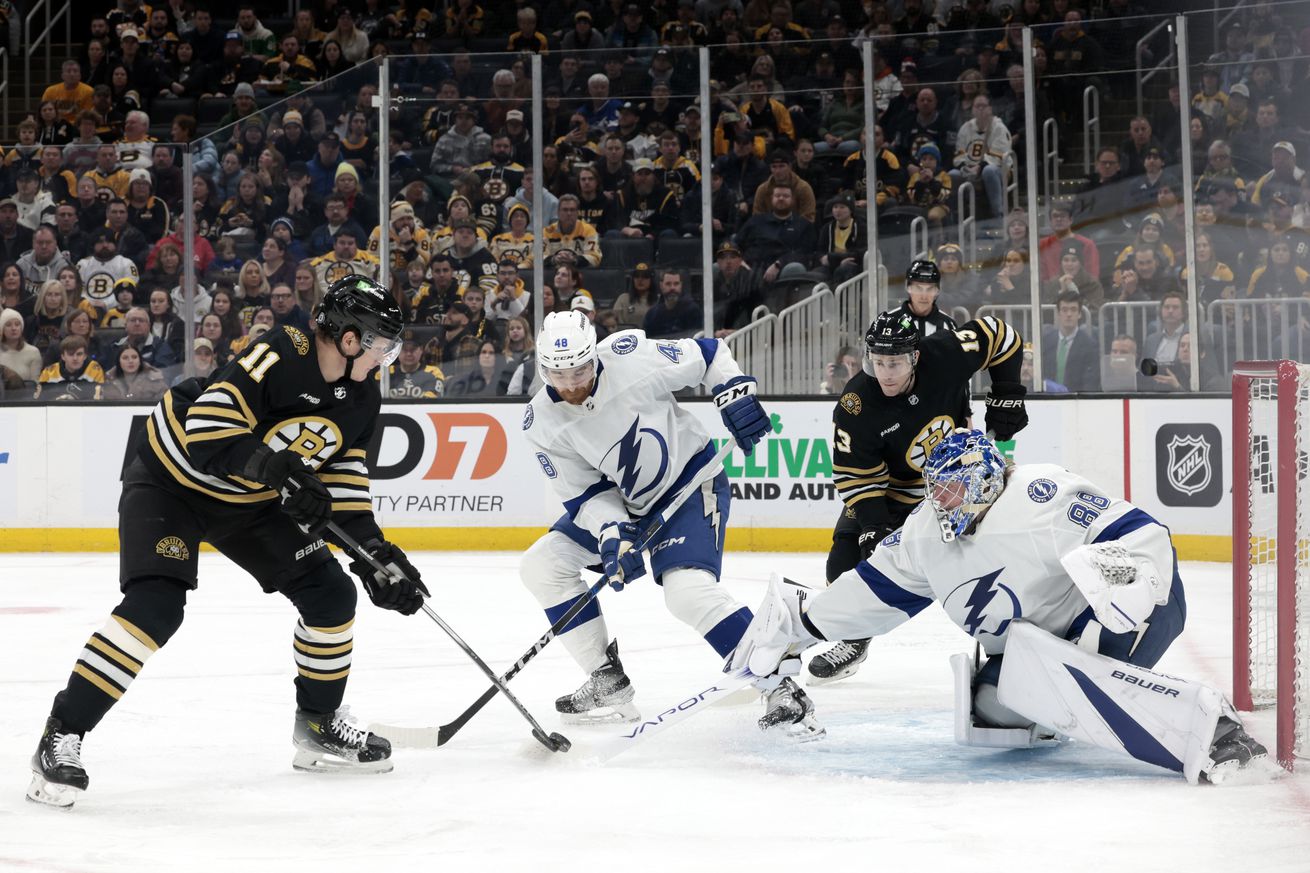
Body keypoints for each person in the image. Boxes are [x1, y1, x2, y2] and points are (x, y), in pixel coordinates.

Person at [27, 277, 429, 809]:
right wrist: (278, 472)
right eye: (381, 344)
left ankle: (318, 725)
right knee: (155, 608)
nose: (386, 357)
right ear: (350, 340)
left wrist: (375, 555)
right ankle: (62, 733)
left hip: (250, 502)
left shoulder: (363, 396)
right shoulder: (283, 349)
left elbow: (347, 483)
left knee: (332, 595)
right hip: (173, 482)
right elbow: (208, 425)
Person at [731, 430, 1268, 784]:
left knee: (1079, 666)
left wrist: (1132, 582)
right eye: (935, 491)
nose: (941, 502)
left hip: (1131, 610)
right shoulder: (924, 535)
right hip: (1042, 647)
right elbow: (874, 591)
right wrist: (801, 625)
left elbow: (1142, 532)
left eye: (953, 490)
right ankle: (1064, 694)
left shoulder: (1041, 493)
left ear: (986, 479)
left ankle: (1212, 730)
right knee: (992, 710)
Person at [518, 310, 810, 735]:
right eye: (557, 375)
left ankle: (780, 686)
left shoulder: (631, 358)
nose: (572, 386)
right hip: (625, 504)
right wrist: (612, 534)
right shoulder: (541, 420)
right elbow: (585, 494)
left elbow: (708, 356)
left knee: (687, 594)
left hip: (688, 486)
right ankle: (606, 678)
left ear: (594, 359)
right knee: (541, 566)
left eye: (580, 371)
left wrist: (734, 394)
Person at [806, 307, 1028, 685]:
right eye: (877, 362)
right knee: (845, 554)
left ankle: (1015, 640)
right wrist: (874, 528)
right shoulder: (856, 403)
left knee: (989, 558)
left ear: (915, 357)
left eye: (894, 363)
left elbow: (1001, 335)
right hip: (895, 487)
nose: (885, 374)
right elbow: (856, 477)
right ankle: (854, 638)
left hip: (961, 477)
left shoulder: (946, 354)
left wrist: (1008, 393)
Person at [1041, 290, 1100, 392]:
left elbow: (1091, 381)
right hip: (1048, 399)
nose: (1069, 314)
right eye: (1064, 310)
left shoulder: (1090, 345)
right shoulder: (1046, 340)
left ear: (1079, 314)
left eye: (1073, 310)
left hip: (1075, 401)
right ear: (1058, 313)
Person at [34, 334, 106, 400]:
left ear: (85, 356)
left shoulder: (95, 369)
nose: (75, 358)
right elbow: (40, 398)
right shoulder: (49, 371)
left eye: (79, 354)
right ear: (63, 356)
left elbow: (99, 398)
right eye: (70, 354)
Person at [101, 342, 167, 400]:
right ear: (119, 362)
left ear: (140, 361)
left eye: (134, 357)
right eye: (125, 358)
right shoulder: (107, 382)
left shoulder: (156, 382)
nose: (130, 361)